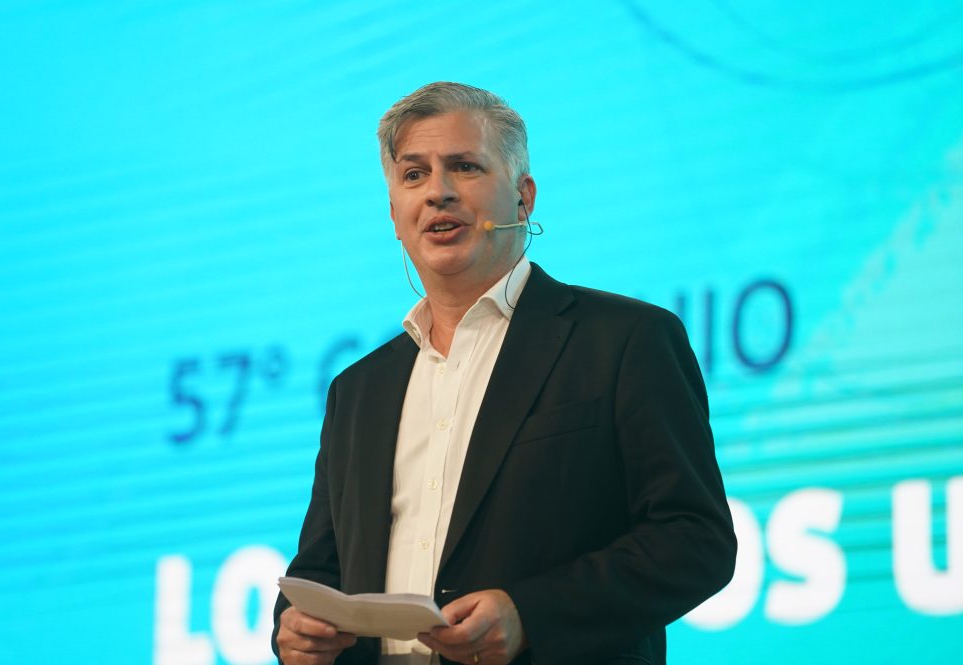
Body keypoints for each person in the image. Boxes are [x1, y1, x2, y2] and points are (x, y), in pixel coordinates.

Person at [272, 82, 736, 665]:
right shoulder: (359, 390)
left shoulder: (624, 340)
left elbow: (695, 541)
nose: (437, 192)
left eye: (465, 167)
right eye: (413, 175)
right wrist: (293, 630)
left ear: (523, 198)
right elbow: (320, 569)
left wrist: (530, 615)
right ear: (395, 216)